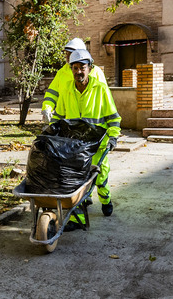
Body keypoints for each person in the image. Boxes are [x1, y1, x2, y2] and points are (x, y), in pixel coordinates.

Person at [50, 49, 121, 231]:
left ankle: (105, 199)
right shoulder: (66, 89)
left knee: (100, 177)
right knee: (78, 179)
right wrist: (53, 128)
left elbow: (113, 117)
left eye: (82, 67)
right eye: (75, 68)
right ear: (71, 69)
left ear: (90, 68)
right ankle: (78, 217)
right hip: (75, 144)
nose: (79, 72)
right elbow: (59, 114)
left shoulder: (100, 88)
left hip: (97, 143)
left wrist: (113, 135)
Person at [41, 37, 106, 121]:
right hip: (67, 120)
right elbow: (52, 93)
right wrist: (47, 108)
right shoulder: (62, 72)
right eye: (66, 53)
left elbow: (104, 97)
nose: (67, 56)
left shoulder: (96, 72)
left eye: (71, 53)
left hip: (91, 121)